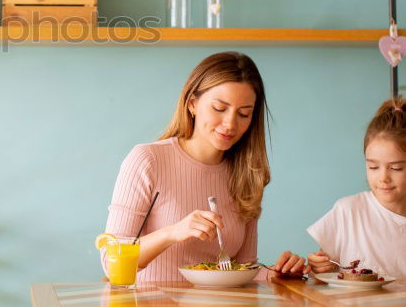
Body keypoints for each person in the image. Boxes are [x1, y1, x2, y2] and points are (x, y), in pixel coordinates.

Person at [103, 51, 307, 281]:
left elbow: (241, 269)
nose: (230, 124)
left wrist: (275, 274)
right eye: (219, 108)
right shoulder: (148, 160)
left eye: (244, 114)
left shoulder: (248, 175)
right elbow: (111, 263)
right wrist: (172, 232)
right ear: (192, 103)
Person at [306, 97, 406, 281]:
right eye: (373, 167)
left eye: (396, 168)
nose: (383, 178)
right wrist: (317, 268)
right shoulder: (348, 211)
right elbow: (321, 272)